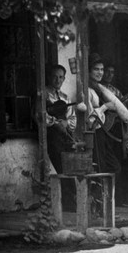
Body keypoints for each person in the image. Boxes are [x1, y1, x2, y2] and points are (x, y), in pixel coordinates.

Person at [44, 64, 77, 210]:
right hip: (52, 135)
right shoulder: (43, 93)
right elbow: (40, 115)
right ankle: (67, 202)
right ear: (49, 77)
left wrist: (66, 123)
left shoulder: (65, 97)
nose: (58, 80)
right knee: (60, 167)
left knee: (70, 165)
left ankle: (72, 201)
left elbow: (73, 120)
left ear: (64, 79)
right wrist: (56, 123)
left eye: (61, 77)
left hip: (65, 136)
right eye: (54, 76)